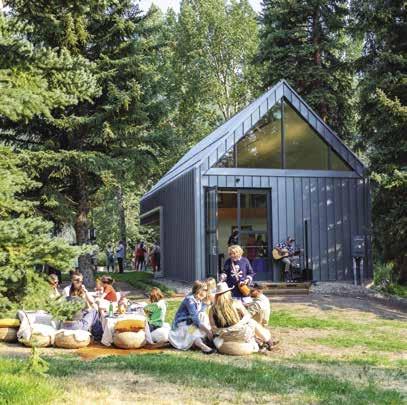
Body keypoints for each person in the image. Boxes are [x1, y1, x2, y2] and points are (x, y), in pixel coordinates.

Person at [209, 282, 274, 352]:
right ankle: (268, 341)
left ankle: (259, 342)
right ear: (228, 292)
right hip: (240, 334)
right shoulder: (236, 303)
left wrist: (222, 331)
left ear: (216, 295)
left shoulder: (212, 309)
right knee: (252, 322)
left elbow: (213, 328)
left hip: (223, 338)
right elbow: (247, 317)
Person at [168, 280, 214, 353]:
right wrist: (207, 331)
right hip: (183, 324)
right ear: (199, 290)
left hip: (192, 324)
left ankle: (203, 345)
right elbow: (195, 318)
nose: (207, 292)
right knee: (195, 328)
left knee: (198, 324)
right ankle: (203, 345)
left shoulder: (198, 300)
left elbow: (200, 315)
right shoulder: (190, 300)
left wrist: (206, 303)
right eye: (205, 290)